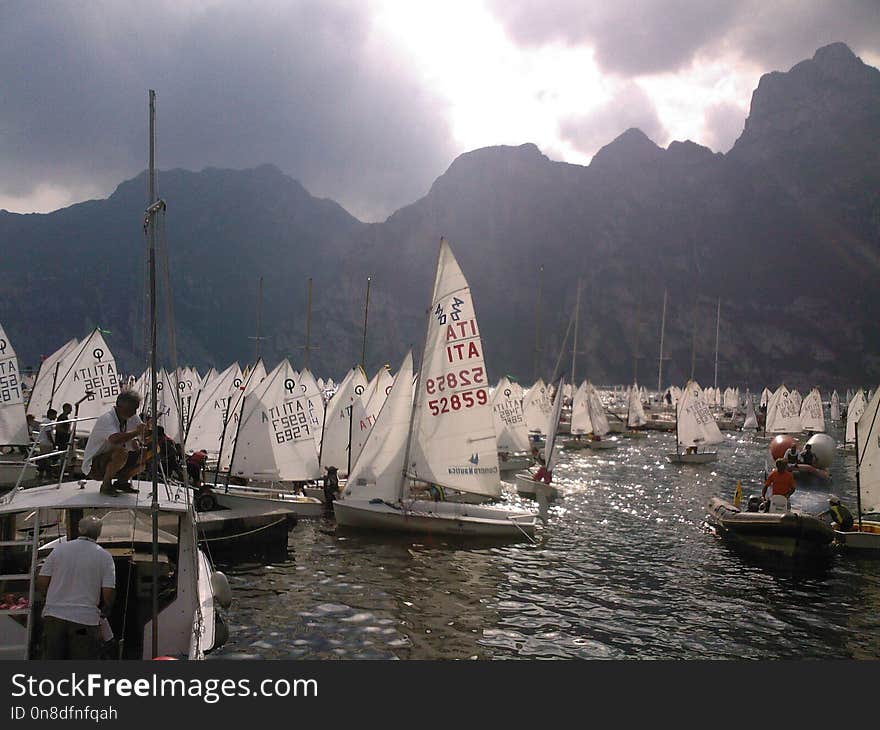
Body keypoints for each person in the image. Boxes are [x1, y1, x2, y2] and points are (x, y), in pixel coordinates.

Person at [36, 515, 115, 660]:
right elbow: (108, 592)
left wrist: (47, 599)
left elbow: (42, 580)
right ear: (99, 533)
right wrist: (106, 609)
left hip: (54, 618)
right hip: (84, 622)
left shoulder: (59, 550)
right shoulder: (104, 556)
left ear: (79, 529)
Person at [81, 391, 151, 497]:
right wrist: (136, 432)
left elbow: (143, 436)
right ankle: (106, 486)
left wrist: (146, 432)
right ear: (121, 406)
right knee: (121, 452)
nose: (134, 412)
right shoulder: (107, 419)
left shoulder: (132, 417)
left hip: (112, 461)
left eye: (136, 409)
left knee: (145, 453)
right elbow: (115, 439)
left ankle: (122, 482)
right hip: (94, 466)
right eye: (132, 409)